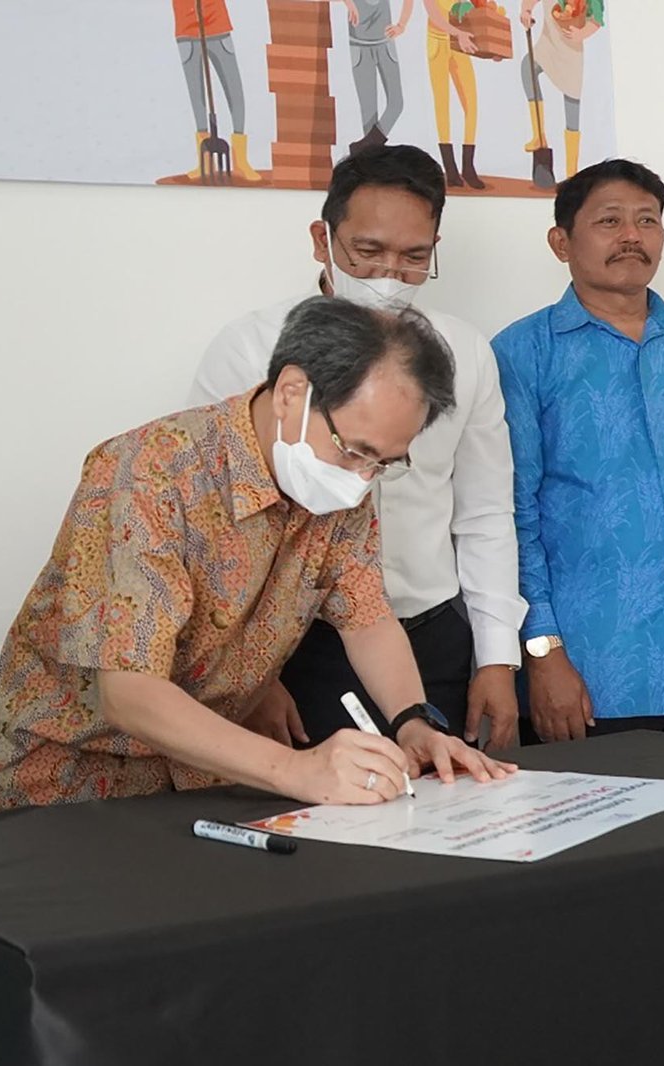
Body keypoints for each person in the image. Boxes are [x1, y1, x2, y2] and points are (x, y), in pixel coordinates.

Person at [0, 297, 514, 812]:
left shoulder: (339, 486)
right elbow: (128, 691)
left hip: (208, 767)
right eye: (356, 451)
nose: (361, 479)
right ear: (291, 393)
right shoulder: (149, 473)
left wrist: (413, 722)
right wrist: (297, 769)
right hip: (78, 778)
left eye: (384, 464)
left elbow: (367, 617)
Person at [192, 146, 525, 751]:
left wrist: (497, 656)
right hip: (294, 646)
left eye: (413, 257)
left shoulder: (465, 352)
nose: (388, 275)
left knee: (443, 789)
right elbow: (213, 523)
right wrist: (250, 674)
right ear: (322, 239)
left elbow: (484, 513)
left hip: (429, 635)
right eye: (367, 251)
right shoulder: (250, 349)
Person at [493, 159, 664, 744]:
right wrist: (542, 650)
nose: (631, 236)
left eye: (647, 221)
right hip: (594, 675)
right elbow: (511, 516)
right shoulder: (523, 352)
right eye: (609, 221)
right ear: (560, 242)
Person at [173, 0, 262, 183]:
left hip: (217, 26)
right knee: (197, 96)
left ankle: (240, 160)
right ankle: (205, 161)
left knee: (234, 90)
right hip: (186, 30)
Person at [520, 0, 603, 180]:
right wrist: (526, 11)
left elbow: (597, 18)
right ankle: (539, 136)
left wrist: (582, 33)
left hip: (571, 51)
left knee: (571, 104)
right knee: (528, 67)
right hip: (548, 44)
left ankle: (571, 173)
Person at [423, 0, 485, 188]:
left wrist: (489, 48)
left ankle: (468, 167)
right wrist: (458, 33)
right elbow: (434, 15)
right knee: (442, 104)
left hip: (459, 44)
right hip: (438, 42)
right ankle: (450, 169)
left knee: (471, 104)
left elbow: (472, 13)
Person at [342, 0, 415, 156]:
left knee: (396, 103)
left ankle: (365, 147)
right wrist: (349, 3)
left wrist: (401, 25)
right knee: (368, 111)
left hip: (385, 44)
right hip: (359, 46)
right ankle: (370, 155)